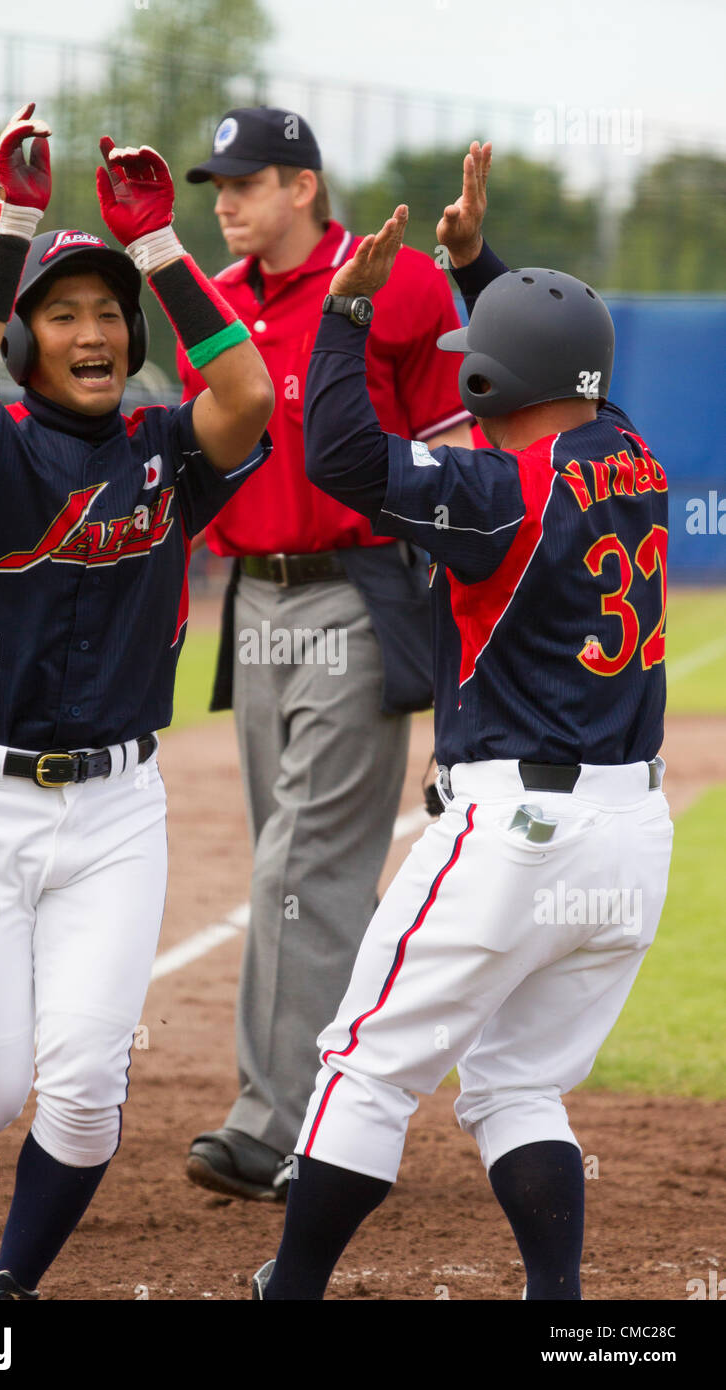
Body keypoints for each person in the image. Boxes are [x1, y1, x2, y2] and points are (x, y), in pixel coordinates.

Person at [251, 140, 673, 1300]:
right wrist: (475, 262)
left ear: (491, 383)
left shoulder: (494, 495)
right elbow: (553, 357)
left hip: (513, 833)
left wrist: (342, 312)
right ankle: (558, 1312)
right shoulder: (628, 450)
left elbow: (339, 455)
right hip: (629, 838)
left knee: (363, 1064)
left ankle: (286, 1291)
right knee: (513, 1086)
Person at [0, 103, 273, 1299]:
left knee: (91, 1081)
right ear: (26, 341)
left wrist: (157, 249)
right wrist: (12, 226)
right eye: (64, 314)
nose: (91, 330)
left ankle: (8, 1293)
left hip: (115, 810)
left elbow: (247, 394)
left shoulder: (165, 446)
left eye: (108, 313)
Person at [178, 107, 476, 1201]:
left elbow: (453, 442)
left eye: (247, 180)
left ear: (302, 186)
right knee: (301, 867)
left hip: (360, 592)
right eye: (219, 181)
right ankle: (346, 1105)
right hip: (254, 602)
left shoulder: (393, 281)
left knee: (298, 865)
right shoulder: (208, 301)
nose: (226, 198)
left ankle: (272, 1125)